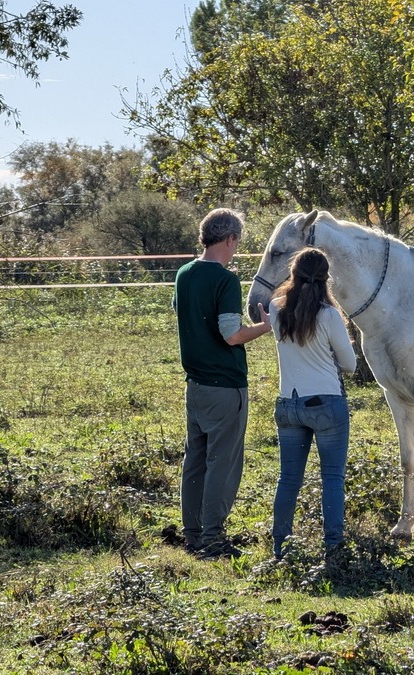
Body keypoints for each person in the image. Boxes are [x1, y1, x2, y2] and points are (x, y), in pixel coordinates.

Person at [173, 208, 271, 560]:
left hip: (194, 383)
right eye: (237, 242)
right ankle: (213, 538)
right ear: (230, 239)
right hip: (225, 386)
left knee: (195, 460)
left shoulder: (184, 274)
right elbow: (231, 335)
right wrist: (266, 326)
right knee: (223, 463)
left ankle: (192, 534)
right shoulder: (225, 280)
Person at [268, 248, 357, 559]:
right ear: (325, 279)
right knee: (332, 477)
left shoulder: (275, 308)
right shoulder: (330, 315)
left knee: (288, 478)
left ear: (292, 275)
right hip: (325, 403)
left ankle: (280, 546)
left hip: (287, 404)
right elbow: (349, 364)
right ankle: (333, 546)